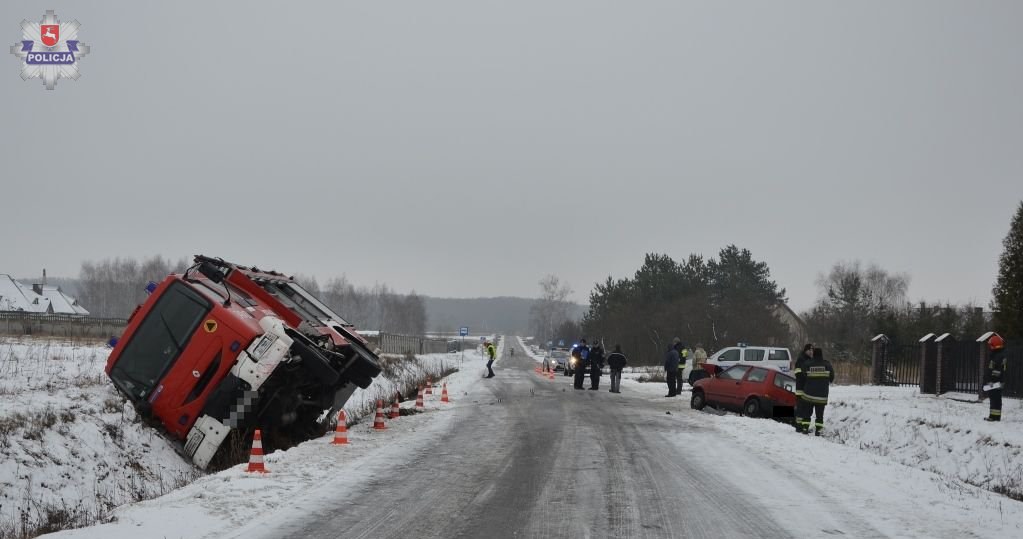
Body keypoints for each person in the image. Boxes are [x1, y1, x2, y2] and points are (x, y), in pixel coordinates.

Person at [797, 347, 835, 436]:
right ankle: (818, 431)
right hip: (822, 397)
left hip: (808, 395)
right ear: (821, 354)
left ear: (813, 354)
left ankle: (805, 428)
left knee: (807, 414)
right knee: (819, 415)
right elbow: (832, 378)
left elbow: (803, 376)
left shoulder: (807, 364)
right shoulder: (827, 365)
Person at [984, 334, 1007, 422]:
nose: (990, 346)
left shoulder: (999, 356)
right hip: (994, 382)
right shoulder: (996, 355)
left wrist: (992, 380)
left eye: (991, 345)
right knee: (993, 398)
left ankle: (995, 418)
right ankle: (992, 416)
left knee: (996, 399)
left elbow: (999, 370)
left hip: (996, 382)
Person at [793, 343, 814, 433]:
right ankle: (798, 427)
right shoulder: (801, 359)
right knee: (800, 408)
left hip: (806, 389)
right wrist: (806, 377)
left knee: (805, 409)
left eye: (812, 350)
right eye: (809, 350)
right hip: (801, 389)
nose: (811, 352)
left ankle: (802, 426)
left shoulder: (809, 360)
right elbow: (797, 372)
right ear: (805, 350)